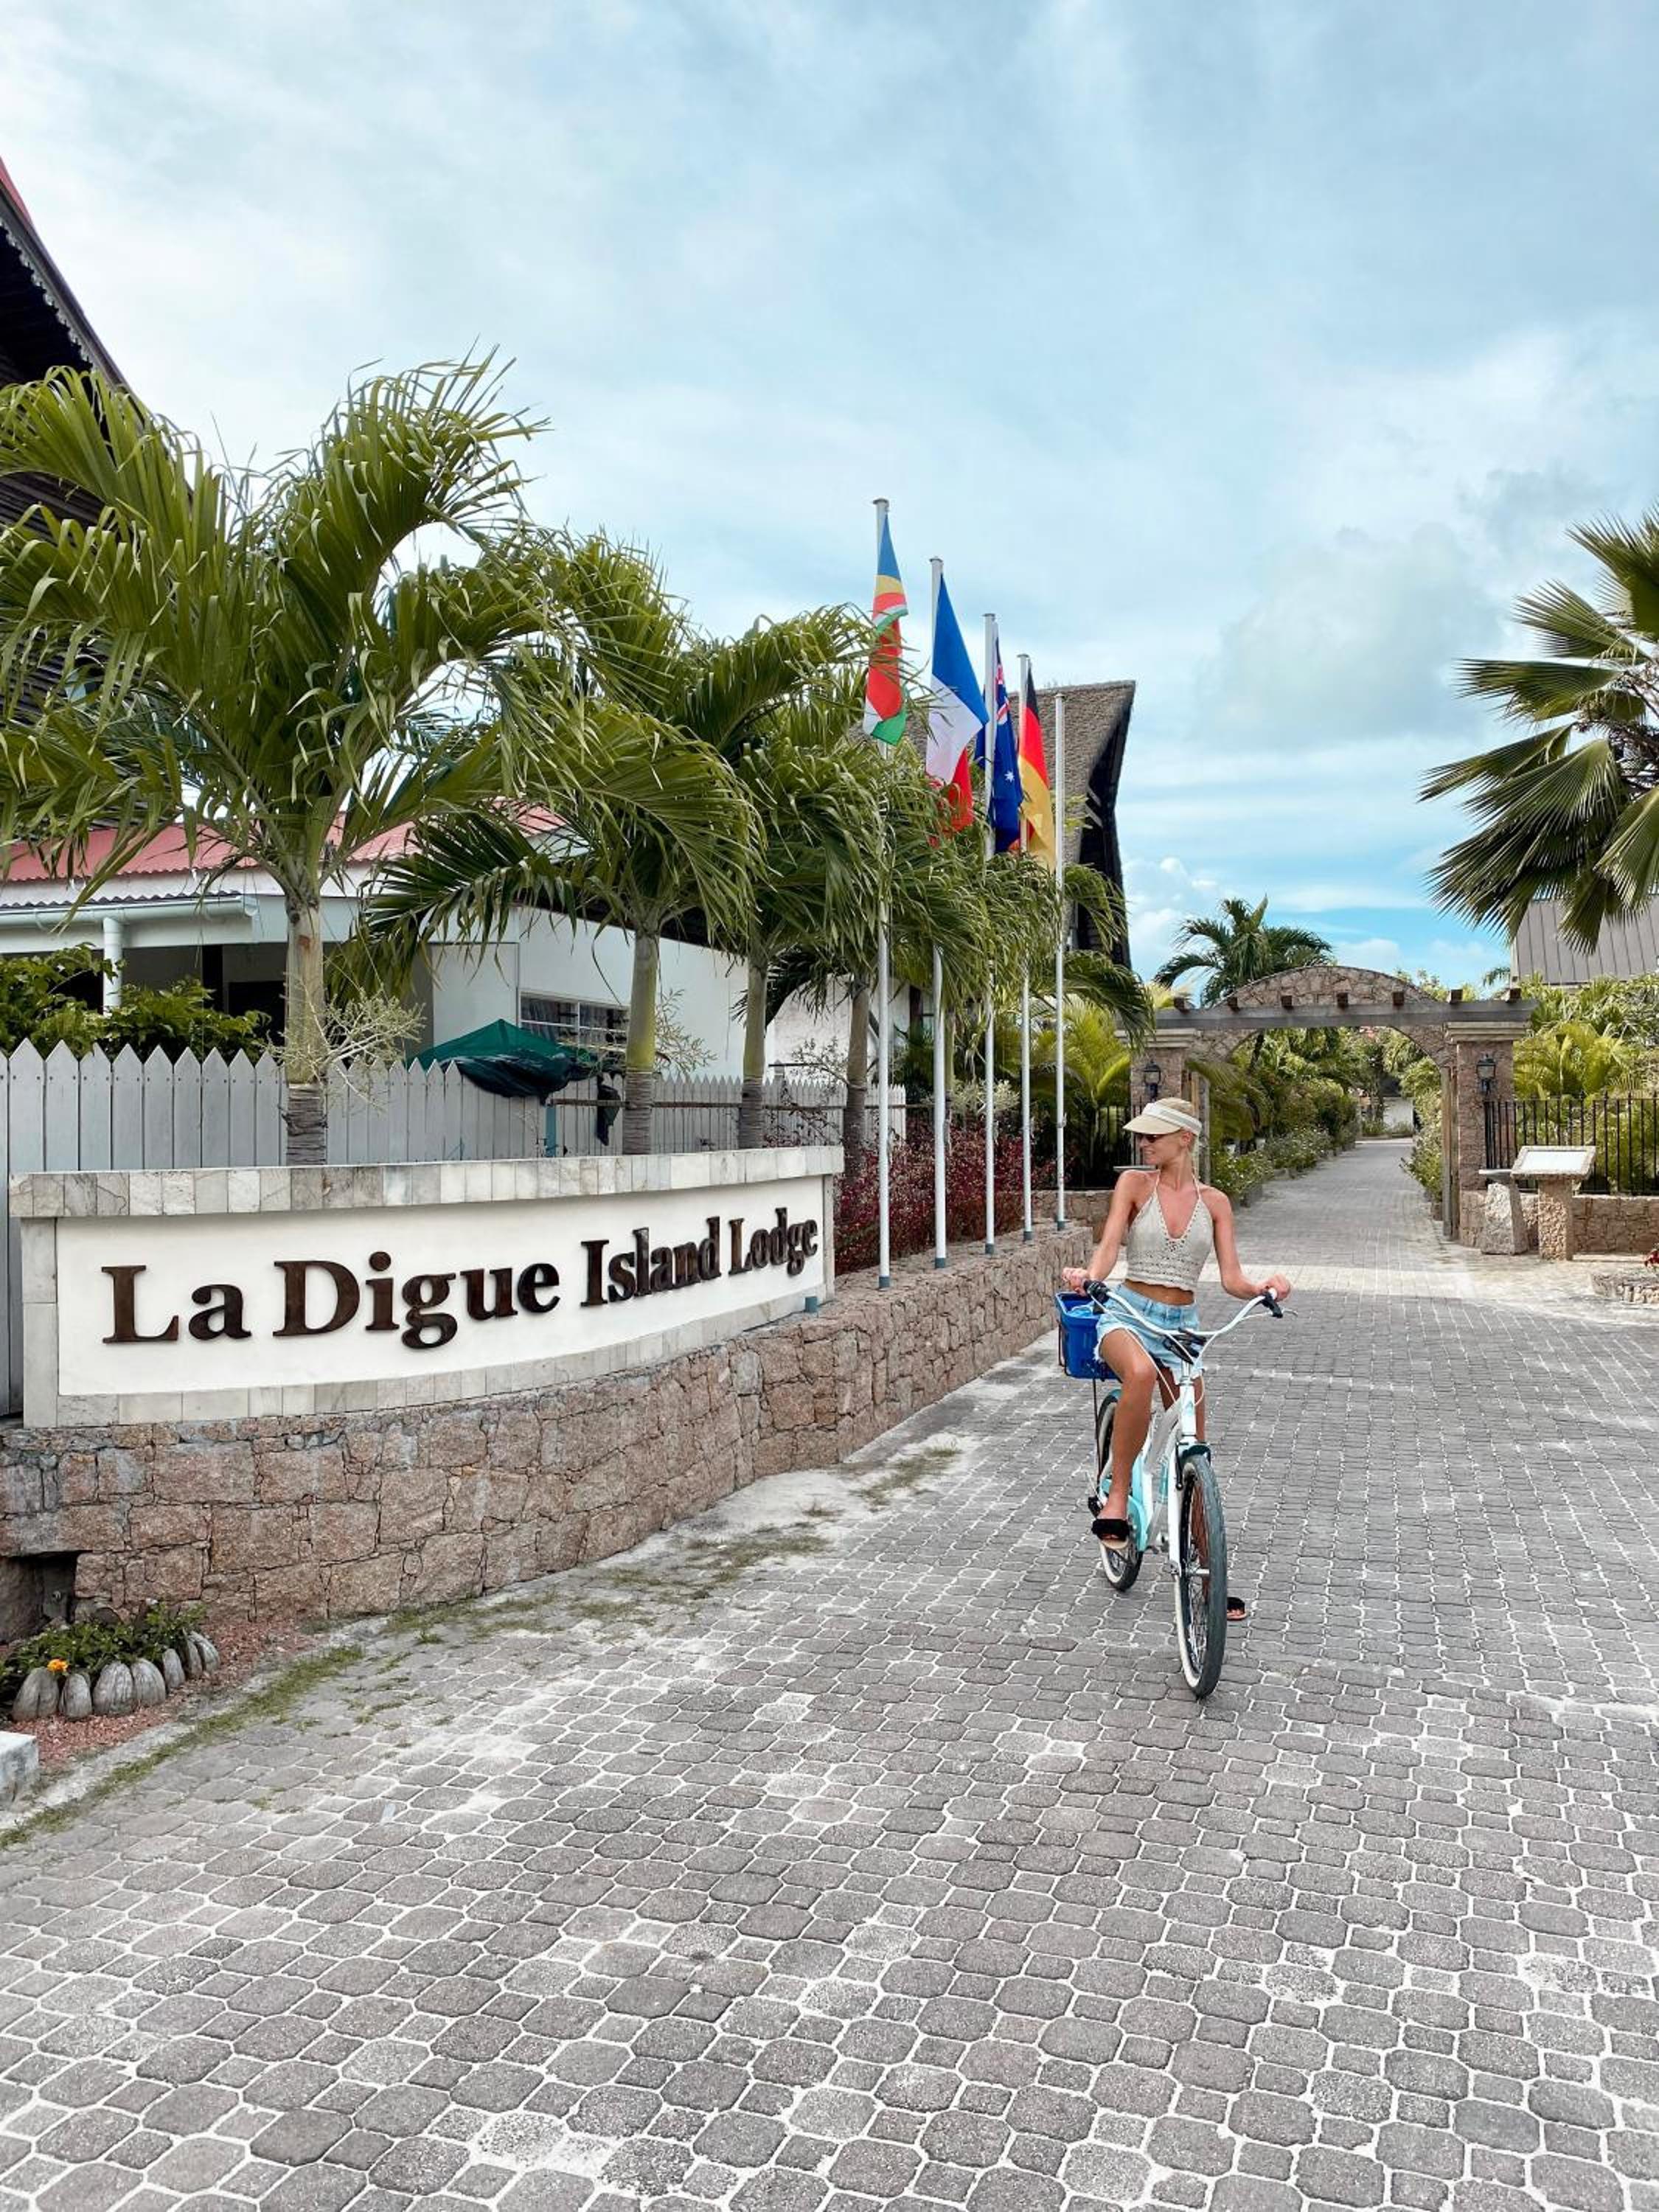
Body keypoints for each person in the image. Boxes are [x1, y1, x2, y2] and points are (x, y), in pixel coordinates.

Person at [1060, 1098, 1292, 1624]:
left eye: (1154, 1136)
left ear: (1184, 1139)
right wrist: (1089, 1277)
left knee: (1196, 1448)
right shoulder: (1133, 1186)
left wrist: (1264, 1287)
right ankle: (1118, 1498)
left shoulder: (1216, 1203)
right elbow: (1109, 1248)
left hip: (1182, 1327)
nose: (1144, 1143)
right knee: (1140, 1374)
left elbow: (1231, 1278)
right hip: (1125, 1313)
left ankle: (1211, 1576)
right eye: (1142, 1136)